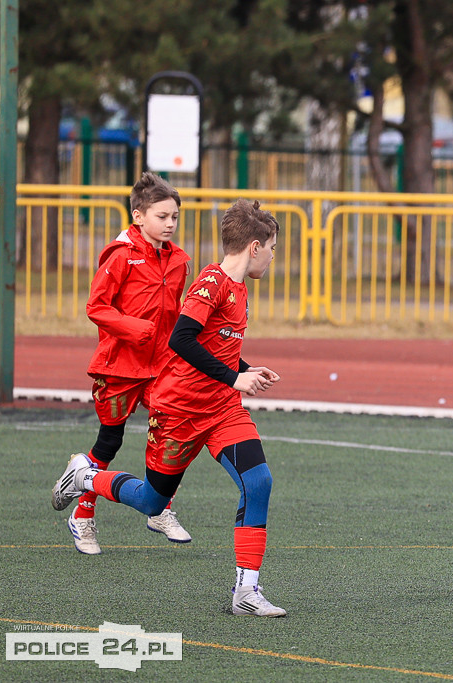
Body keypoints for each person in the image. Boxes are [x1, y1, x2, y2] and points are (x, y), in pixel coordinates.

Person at [53, 199, 287, 618]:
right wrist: (234, 377)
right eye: (272, 248)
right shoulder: (211, 282)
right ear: (254, 247)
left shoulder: (239, 287)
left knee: (259, 482)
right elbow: (181, 338)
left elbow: (215, 346)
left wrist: (245, 369)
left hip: (223, 411)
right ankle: (85, 477)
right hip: (178, 412)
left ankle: (247, 591)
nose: (273, 257)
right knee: (151, 502)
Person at [67, 172, 192, 555]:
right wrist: (133, 328)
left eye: (174, 217)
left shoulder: (179, 261)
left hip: (162, 367)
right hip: (120, 366)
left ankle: (160, 509)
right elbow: (97, 307)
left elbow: (175, 314)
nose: (170, 224)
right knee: (110, 441)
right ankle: (82, 516)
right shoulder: (120, 255)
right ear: (138, 216)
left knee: (176, 435)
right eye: (162, 216)